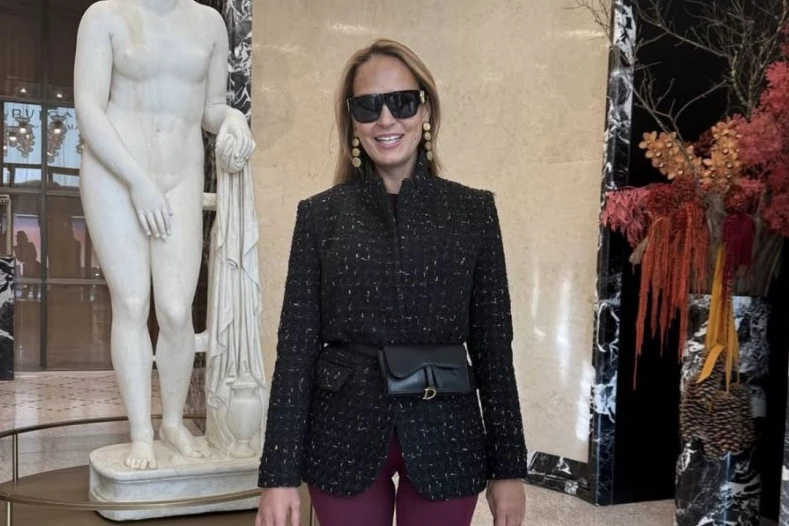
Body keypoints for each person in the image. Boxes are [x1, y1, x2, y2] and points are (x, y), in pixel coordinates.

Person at [255, 39, 528, 526]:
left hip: (447, 433)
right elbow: (295, 350)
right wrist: (278, 476)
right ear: (352, 120)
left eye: (402, 102)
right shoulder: (320, 216)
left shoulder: (473, 212)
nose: (386, 119)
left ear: (426, 109)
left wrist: (508, 469)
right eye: (368, 106)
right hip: (342, 434)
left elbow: (493, 347)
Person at [74, 0, 254, 470]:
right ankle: (140, 432)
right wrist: (137, 182)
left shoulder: (210, 23)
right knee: (132, 303)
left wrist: (233, 119)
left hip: (180, 175)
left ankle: (172, 423)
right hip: (115, 174)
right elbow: (88, 109)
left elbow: (210, 109)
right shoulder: (105, 16)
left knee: (175, 311)